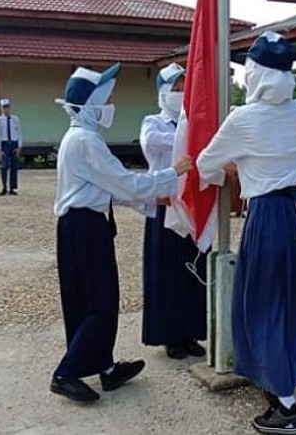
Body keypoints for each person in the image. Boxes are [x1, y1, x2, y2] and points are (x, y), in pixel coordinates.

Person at [197, 31, 296, 435]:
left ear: (256, 73)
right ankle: (286, 375)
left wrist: (226, 173)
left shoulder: (243, 118)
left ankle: (286, 408)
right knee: (294, 302)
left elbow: (205, 163)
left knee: (262, 306)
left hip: (269, 215)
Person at [51, 63, 193, 402]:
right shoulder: (85, 140)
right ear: (93, 103)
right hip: (84, 228)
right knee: (100, 302)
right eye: (108, 98)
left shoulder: (82, 137)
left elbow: (112, 188)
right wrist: (171, 174)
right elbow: (124, 181)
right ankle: (65, 373)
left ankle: (106, 368)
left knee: (92, 300)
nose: (112, 104)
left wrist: (150, 197)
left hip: (83, 225)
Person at [139, 63, 207, 360]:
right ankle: (169, 335)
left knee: (192, 270)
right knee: (165, 274)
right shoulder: (153, 122)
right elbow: (152, 143)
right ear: (163, 92)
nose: (180, 93)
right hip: (164, 206)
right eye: (175, 88)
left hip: (191, 207)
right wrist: (187, 139)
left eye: (184, 87)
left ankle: (190, 331)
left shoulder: (192, 123)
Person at [0, 99, 23, 196]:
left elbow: (19, 132)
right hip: (5, 143)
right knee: (4, 166)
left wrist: (19, 146)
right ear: (1, 108)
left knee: (14, 167)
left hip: (14, 143)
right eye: (4, 108)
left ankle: (13, 188)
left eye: (7, 107)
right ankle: (4, 187)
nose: (5, 109)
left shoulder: (16, 119)